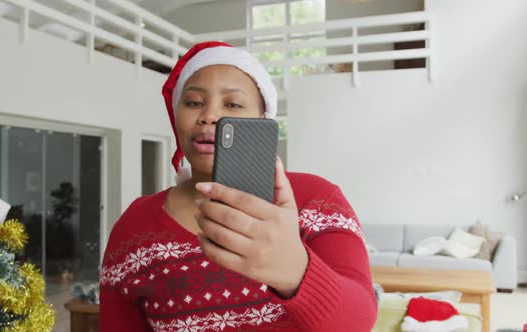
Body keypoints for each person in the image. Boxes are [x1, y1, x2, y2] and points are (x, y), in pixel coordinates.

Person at [99, 41, 377, 331]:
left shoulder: (317, 199)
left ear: (262, 119)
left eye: (232, 104)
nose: (209, 116)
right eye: (194, 102)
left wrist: (294, 270)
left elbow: (359, 322)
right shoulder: (134, 226)